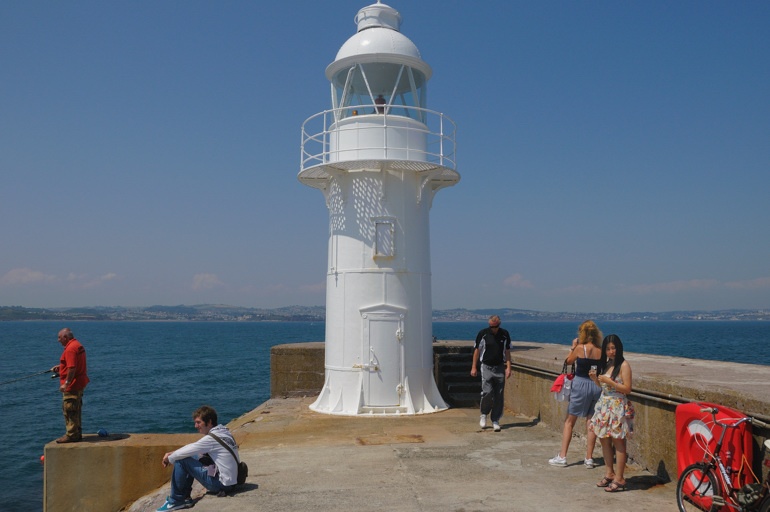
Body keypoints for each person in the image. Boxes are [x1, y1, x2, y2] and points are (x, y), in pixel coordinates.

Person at [157, 406, 241, 511]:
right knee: (191, 455)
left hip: (221, 485)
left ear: (209, 422)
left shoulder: (210, 439)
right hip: (232, 482)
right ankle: (186, 497)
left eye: (198, 422)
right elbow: (194, 447)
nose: (195, 426)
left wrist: (169, 458)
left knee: (181, 460)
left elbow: (190, 449)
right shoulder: (224, 432)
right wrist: (172, 453)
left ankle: (176, 500)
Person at [548, 320, 602, 467]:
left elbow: (569, 361)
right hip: (596, 385)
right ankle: (589, 458)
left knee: (569, 421)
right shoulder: (600, 350)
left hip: (581, 384)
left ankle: (562, 456)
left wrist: (572, 347)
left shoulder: (580, 348)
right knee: (591, 421)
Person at [588, 334, 632, 493]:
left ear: (619, 348)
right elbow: (604, 387)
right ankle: (610, 473)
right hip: (604, 406)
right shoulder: (607, 364)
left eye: (613, 348)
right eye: (608, 349)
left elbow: (627, 389)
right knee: (604, 439)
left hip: (617, 406)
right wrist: (595, 380)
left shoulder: (624, 365)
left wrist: (610, 382)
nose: (611, 351)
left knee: (618, 442)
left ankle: (620, 478)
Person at [470, 315, 512, 432]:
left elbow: (507, 351)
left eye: (496, 326)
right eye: (491, 326)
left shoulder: (504, 334)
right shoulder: (483, 334)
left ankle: (495, 419)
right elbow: (477, 350)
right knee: (487, 392)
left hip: (499, 367)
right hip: (486, 366)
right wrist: (474, 367)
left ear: (499, 325)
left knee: (499, 394)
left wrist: (508, 367)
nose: (493, 329)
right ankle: (484, 414)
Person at [51, 328, 89, 443]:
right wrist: (61, 367)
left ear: (66, 337)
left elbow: (72, 368)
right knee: (76, 409)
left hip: (72, 385)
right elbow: (72, 364)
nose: (58, 340)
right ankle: (76, 433)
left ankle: (72, 435)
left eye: (59, 337)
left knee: (70, 409)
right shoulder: (77, 345)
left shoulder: (70, 349)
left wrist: (66, 384)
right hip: (79, 382)